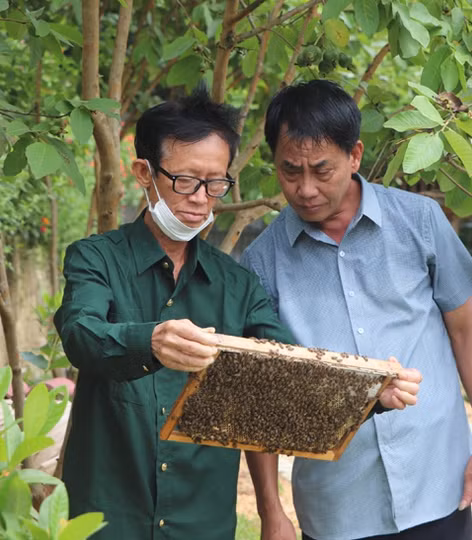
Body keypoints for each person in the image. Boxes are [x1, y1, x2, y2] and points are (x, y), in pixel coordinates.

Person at [54, 87, 420, 540]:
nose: (200, 198)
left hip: (202, 524)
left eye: (215, 184)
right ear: (144, 173)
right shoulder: (95, 258)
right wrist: (150, 342)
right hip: (106, 520)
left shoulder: (237, 285)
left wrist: (372, 394)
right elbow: (81, 333)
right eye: (185, 180)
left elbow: (292, 380)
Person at [241, 79, 472, 540]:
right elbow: (260, 393)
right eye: (290, 171)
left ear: (355, 155)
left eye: (321, 170)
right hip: (337, 505)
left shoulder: (420, 221)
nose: (305, 188)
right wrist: (271, 511)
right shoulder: (262, 261)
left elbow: (467, 331)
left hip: (436, 483)